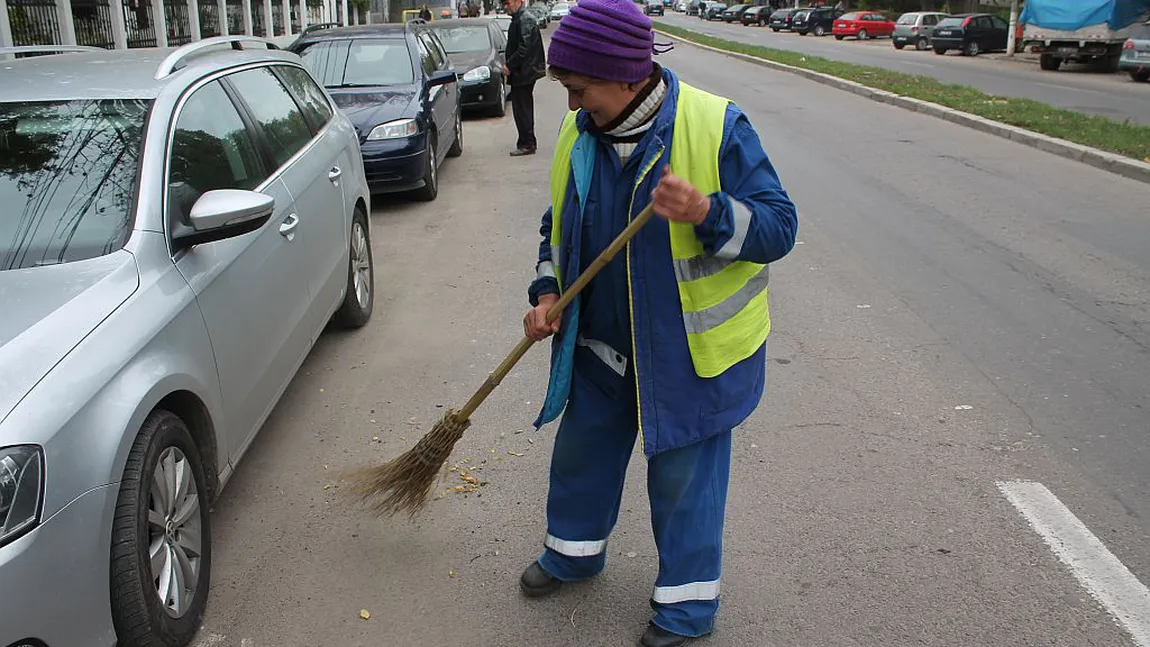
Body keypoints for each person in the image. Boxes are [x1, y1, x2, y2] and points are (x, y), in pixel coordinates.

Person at [518, 0, 799, 645]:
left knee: (683, 481)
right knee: (582, 454)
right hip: (600, 342)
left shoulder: (715, 126)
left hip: (687, 355)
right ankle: (573, 553)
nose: (569, 106)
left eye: (579, 90)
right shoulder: (580, 134)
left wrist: (707, 210)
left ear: (625, 77)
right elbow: (554, 226)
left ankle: (685, 611)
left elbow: (780, 226)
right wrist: (548, 291)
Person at [501, 0, 545, 156]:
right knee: (521, 109)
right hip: (523, 72)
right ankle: (526, 141)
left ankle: (527, 143)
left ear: (519, 2)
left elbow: (524, 48)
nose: (506, 7)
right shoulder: (519, 19)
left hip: (524, 73)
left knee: (523, 110)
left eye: (508, 3)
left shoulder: (524, 19)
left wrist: (510, 65)